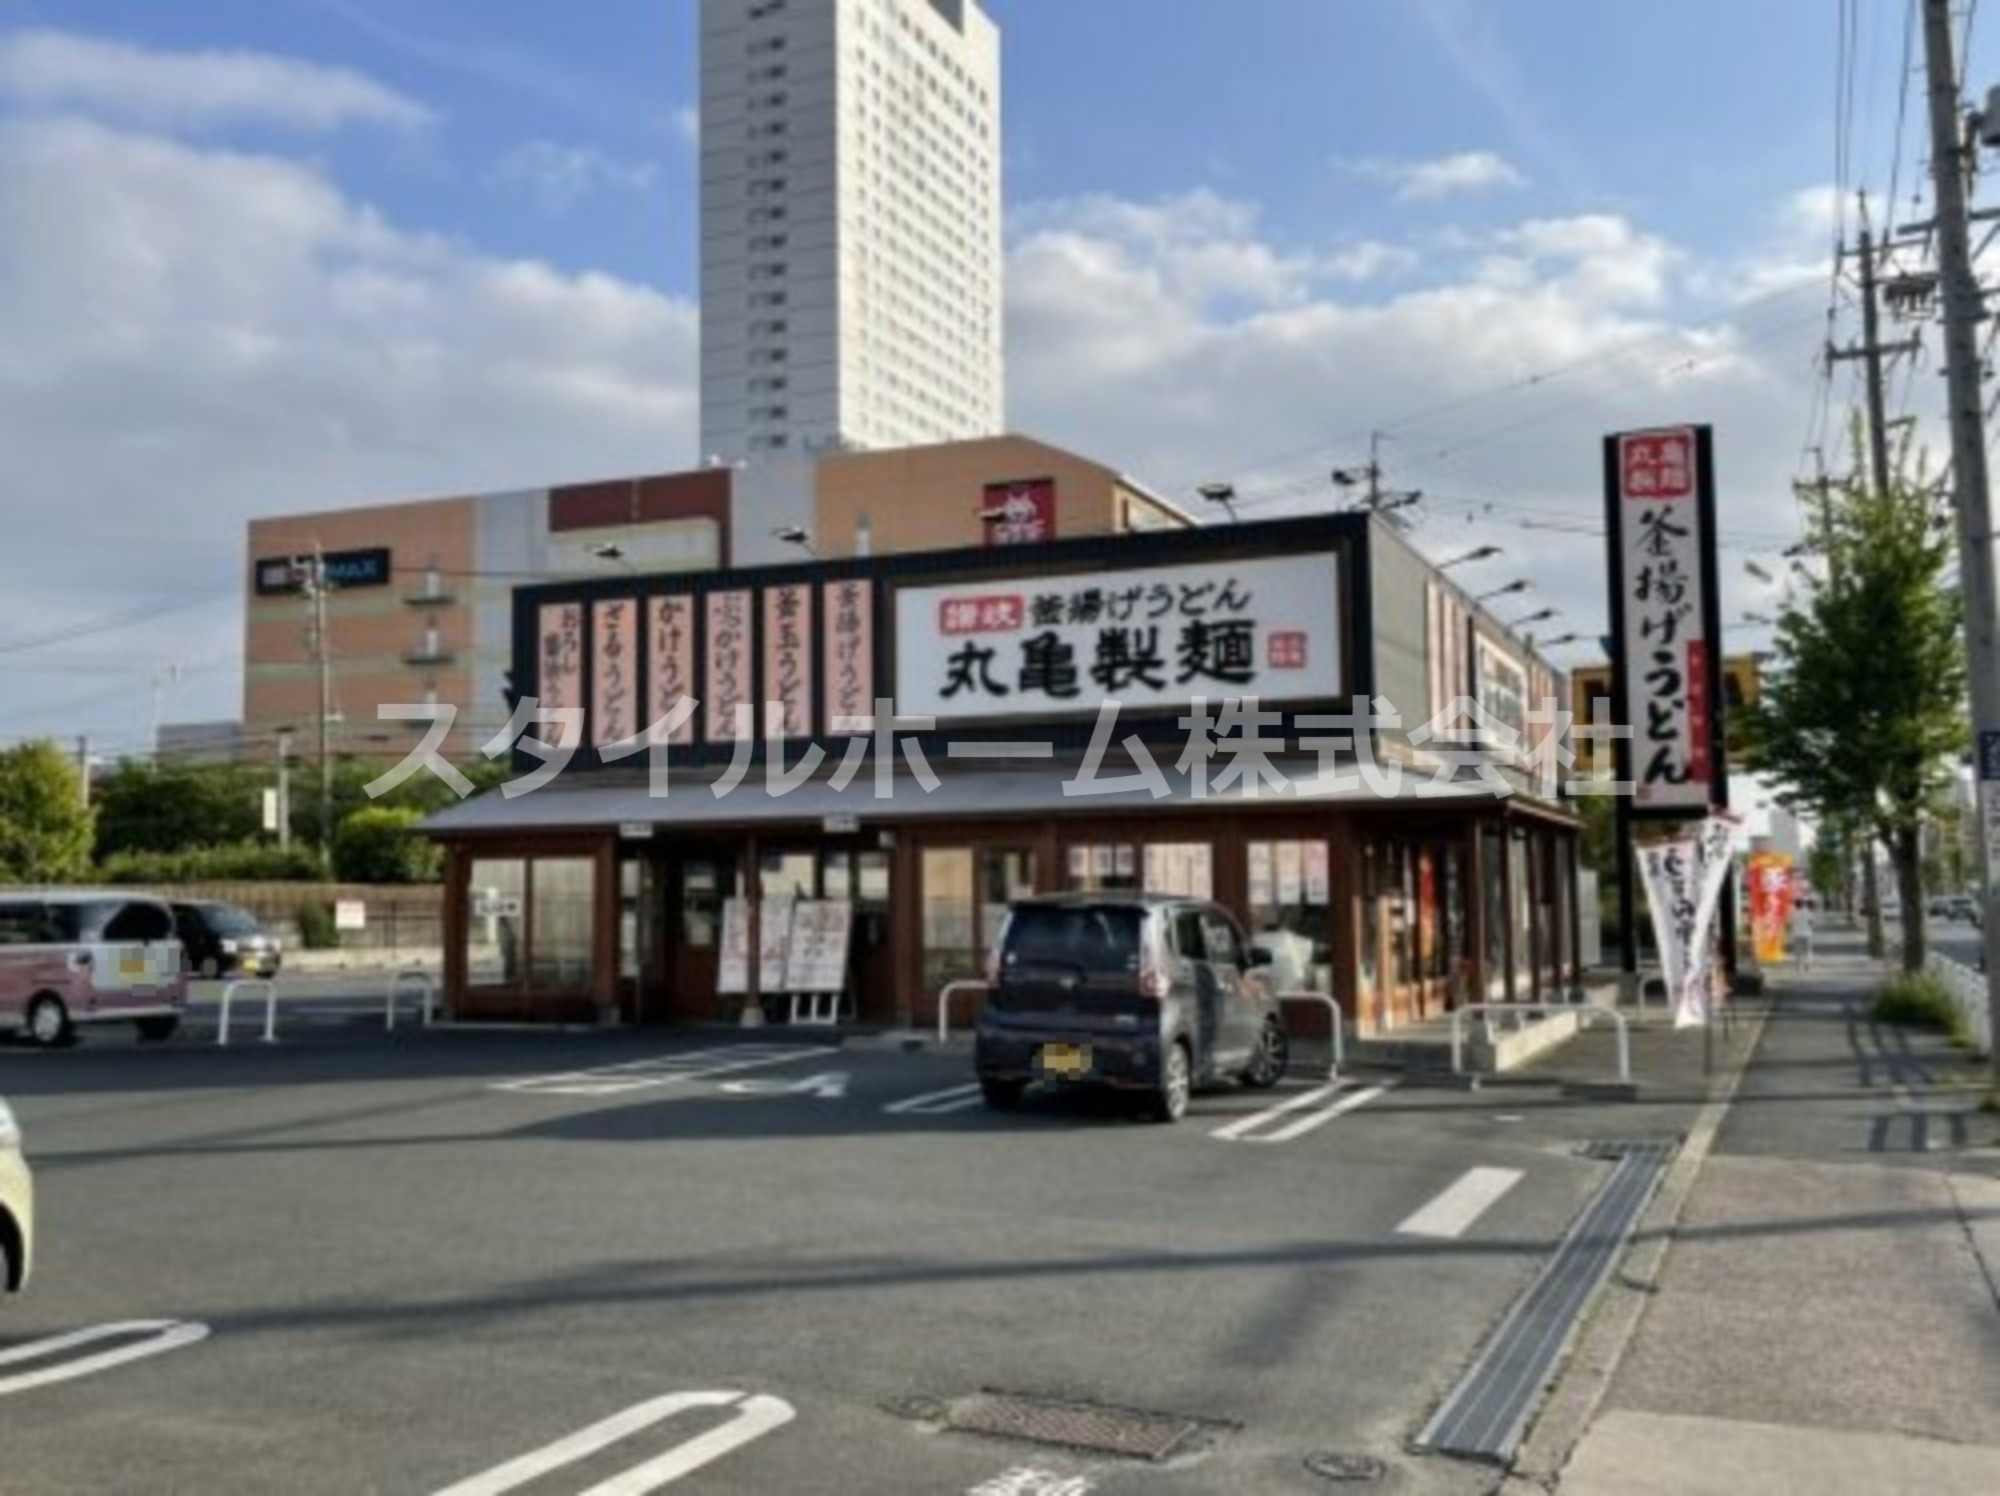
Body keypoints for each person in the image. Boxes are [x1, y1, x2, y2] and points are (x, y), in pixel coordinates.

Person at [1792, 899, 1816, 972]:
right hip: (1807, 934)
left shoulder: (1793, 913)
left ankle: (1798, 966)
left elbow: (1789, 924)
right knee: (1808, 951)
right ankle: (1807, 965)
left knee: (1798, 952)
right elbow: (1811, 922)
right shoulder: (1808, 912)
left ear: (1795, 905)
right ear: (1802, 904)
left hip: (1797, 934)